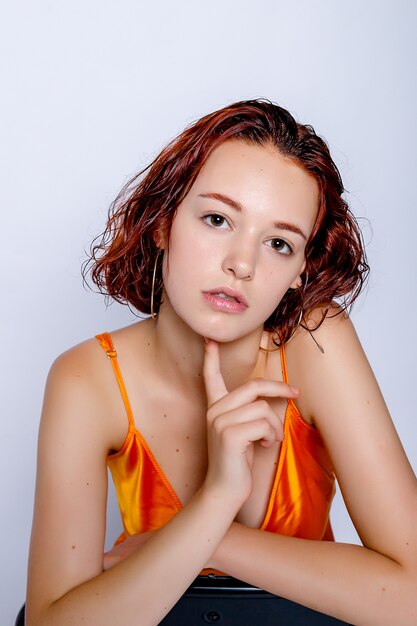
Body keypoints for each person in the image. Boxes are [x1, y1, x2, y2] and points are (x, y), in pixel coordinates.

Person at [26, 99, 417, 625]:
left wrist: (215, 544)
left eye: (278, 243)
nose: (242, 264)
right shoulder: (87, 378)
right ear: (163, 223)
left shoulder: (316, 342)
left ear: (300, 270)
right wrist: (218, 498)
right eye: (217, 219)